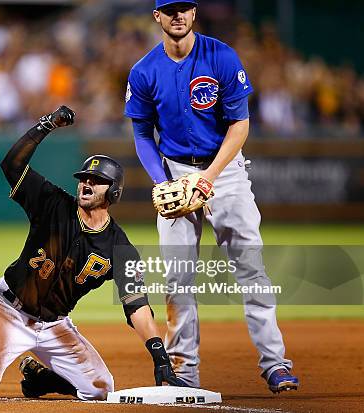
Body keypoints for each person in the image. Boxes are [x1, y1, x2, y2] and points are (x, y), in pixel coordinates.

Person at [0, 106, 187, 402]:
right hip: (8, 310)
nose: (86, 182)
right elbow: (11, 165)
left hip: (55, 324)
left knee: (101, 389)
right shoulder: (52, 203)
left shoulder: (121, 248)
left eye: (96, 179)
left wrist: (160, 356)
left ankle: (40, 379)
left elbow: (137, 307)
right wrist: (46, 125)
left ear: (114, 192)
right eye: (84, 176)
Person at [124, 0, 299, 393]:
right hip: (174, 171)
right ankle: (185, 372)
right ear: (157, 16)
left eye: (185, 7)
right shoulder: (144, 70)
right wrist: (161, 180)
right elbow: (141, 135)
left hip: (225, 169)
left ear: (195, 12)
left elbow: (240, 124)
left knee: (251, 268)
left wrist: (210, 177)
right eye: (170, 9)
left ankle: (275, 362)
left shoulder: (221, 56)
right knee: (177, 278)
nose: (178, 15)